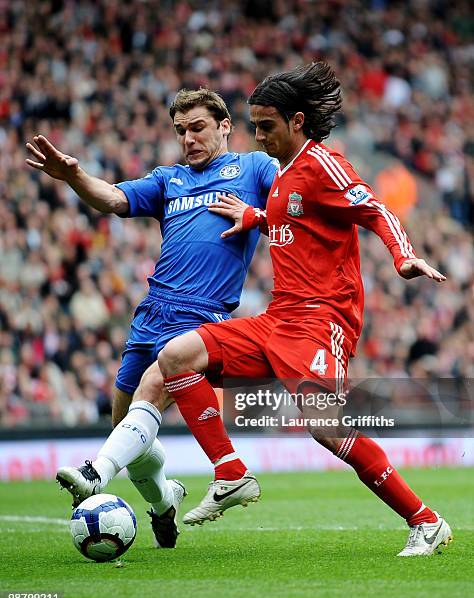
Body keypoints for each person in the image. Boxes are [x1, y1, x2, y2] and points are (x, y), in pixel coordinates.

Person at [148, 62, 452, 556]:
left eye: (266, 125)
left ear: (296, 122)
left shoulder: (322, 164)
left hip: (321, 319)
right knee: (176, 356)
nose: (258, 135)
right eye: (255, 126)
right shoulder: (285, 175)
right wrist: (255, 216)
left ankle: (426, 520)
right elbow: (297, 220)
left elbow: (374, 208)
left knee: (326, 428)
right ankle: (229, 472)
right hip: (277, 319)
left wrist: (403, 255)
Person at [25, 88, 277, 547]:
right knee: (129, 428)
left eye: (197, 127)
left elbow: (294, 204)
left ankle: (93, 475)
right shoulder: (168, 180)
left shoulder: (255, 168)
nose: (188, 138)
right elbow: (113, 199)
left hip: (203, 318)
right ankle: (165, 502)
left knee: (153, 390)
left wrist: (255, 214)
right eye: (180, 131)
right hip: (151, 314)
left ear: (225, 126)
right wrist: (76, 176)